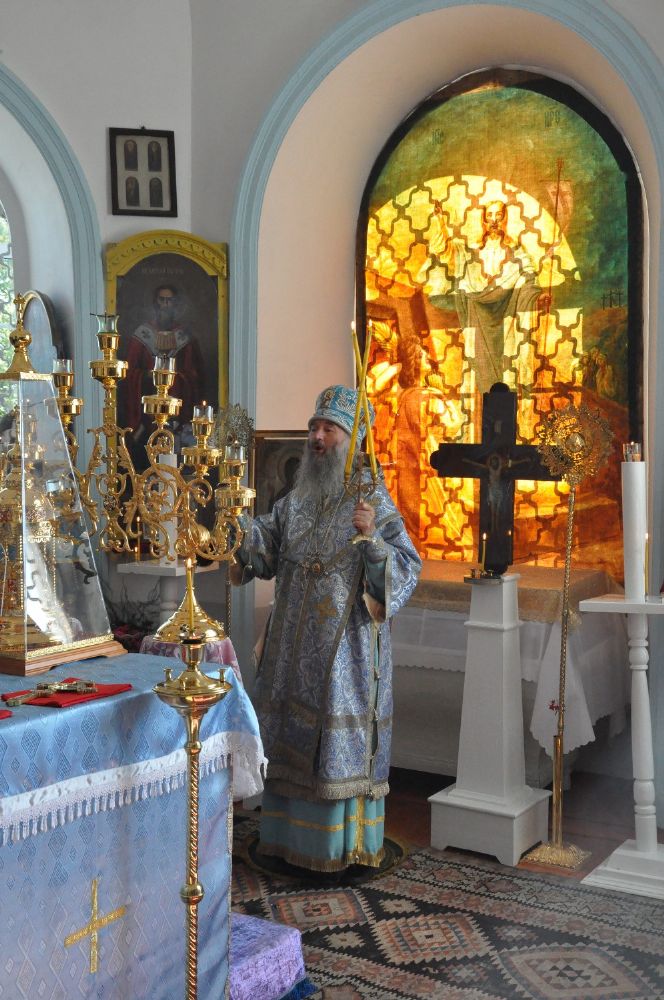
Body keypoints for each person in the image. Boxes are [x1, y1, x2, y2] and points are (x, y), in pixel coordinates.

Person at [231, 385, 421, 872]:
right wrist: (236, 522)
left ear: (354, 439)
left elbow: (405, 568)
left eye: (329, 429)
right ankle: (283, 840)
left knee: (333, 750)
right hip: (290, 652)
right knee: (287, 739)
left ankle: (338, 848)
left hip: (344, 656)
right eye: (314, 427)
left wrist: (371, 540)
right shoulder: (298, 498)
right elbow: (265, 548)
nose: (317, 437)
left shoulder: (372, 499)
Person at [419, 197, 551, 393]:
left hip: (506, 316)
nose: (494, 220)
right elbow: (447, 251)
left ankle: (506, 401)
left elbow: (528, 276)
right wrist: (440, 222)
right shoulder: (471, 250)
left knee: (506, 369)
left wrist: (536, 297)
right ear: (483, 220)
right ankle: (479, 406)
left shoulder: (515, 251)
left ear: (505, 219)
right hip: (477, 314)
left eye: (498, 215)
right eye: (489, 216)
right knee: (478, 366)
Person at [120, 283, 205, 466]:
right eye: (161, 300)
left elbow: (194, 375)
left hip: (177, 410)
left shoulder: (185, 337)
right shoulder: (142, 334)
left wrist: (177, 379)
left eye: (169, 300)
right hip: (147, 413)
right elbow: (128, 372)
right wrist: (146, 376)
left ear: (176, 303)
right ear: (155, 302)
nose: (165, 305)